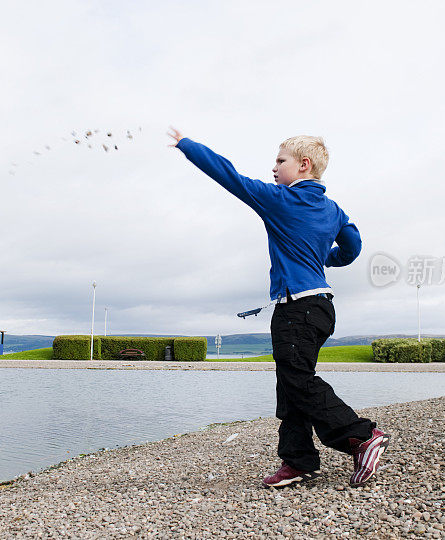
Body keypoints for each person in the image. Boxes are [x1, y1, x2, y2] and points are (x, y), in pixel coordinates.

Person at [167, 127, 390, 488]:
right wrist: (326, 259)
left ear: (303, 165)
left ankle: (361, 437)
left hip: (296, 309)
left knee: (298, 381)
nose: (273, 168)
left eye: (280, 160)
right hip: (321, 308)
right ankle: (298, 461)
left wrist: (186, 145)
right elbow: (352, 246)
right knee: (290, 385)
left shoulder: (279, 200)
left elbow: (229, 176)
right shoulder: (333, 209)